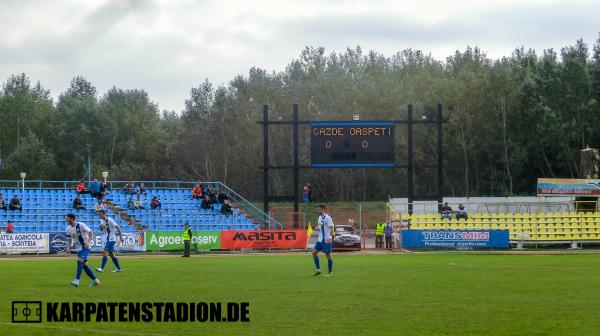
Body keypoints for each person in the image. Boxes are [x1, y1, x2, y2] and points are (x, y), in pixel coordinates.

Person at [65, 213, 101, 287]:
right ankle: (96, 280)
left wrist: (88, 242)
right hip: (79, 249)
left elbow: (90, 232)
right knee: (85, 265)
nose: (66, 219)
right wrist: (68, 247)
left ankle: (77, 280)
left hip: (85, 247)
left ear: (71, 218)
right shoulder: (68, 229)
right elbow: (69, 239)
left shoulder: (80, 225)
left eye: (67, 218)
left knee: (79, 261)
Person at [312, 204, 334, 276]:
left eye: (319, 209)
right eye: (317, 209)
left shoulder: (328, 218)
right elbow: (321, 227)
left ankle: (330, 272)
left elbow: (332, 227)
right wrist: (317, 228)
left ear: (323, 210)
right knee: (314, 253)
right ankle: (318, 270)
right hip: (320, 239)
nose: (317, 211)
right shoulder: (319, 217)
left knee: (328, 255)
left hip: (326, 240)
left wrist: (330, 237)